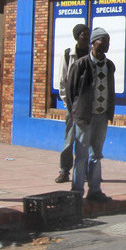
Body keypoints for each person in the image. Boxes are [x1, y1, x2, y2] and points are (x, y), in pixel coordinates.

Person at [65, 27, 114, 203]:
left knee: (96, 154)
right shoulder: (81, 64)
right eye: (103, 41)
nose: (106, 45)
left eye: (108, 41)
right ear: (94, 42)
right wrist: (76, 112)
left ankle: (95, 190)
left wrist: (109, 112)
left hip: (101, 117)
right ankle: (77, 191)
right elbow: (71, 91)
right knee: (81, 155)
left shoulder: (109, 65)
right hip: (84, 117)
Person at [56, 23, 91, 183]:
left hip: (89, 104)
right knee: (69, 140)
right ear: (77, 37)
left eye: (88, 34)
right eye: (84, 35)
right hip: (73, 104)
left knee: (89, 141)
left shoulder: (93, 53)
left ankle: (88, 172)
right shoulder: (68, 54)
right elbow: (62, 82)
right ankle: (64, 170)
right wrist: (68, 103)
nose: (87, 38)